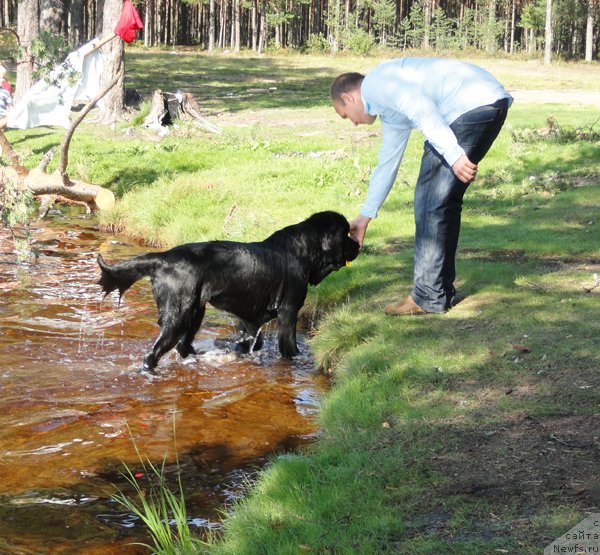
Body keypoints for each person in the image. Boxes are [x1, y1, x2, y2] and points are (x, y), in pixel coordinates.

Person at [331, 57, 512, 315]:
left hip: (468, 105)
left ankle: (428, 297)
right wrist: (365, 216)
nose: (353, 122)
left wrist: (453, 154)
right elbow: (387, 164)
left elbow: (420, 106)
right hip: (489, 102)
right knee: (442, 202)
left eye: (345, 115)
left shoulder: (376, 84)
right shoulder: (388, 108)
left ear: (348, 98)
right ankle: (440, 292)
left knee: (430, 202)